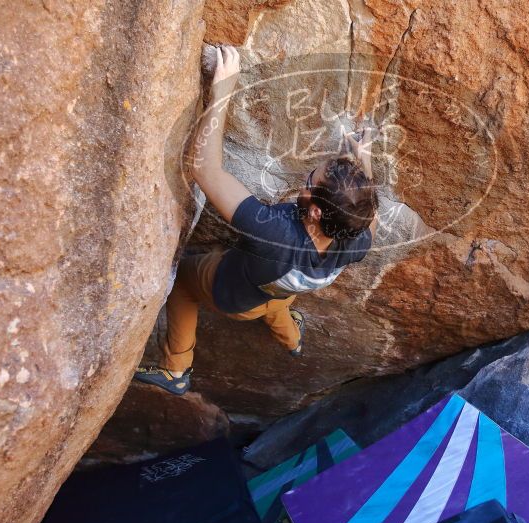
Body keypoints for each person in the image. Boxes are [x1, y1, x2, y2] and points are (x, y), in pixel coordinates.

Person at [134, 45, 379, 395]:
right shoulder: (354, 238)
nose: (307, 178)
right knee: (276, 300)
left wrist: (223, 89)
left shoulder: (274, 233)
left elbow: (205, 170)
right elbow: (369, 216)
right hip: (284, 290)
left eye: (311, 180)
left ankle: (176, 369)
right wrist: (362, 159)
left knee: (183, 282)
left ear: (314, 212)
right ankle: (290, 337)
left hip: (234, 296)